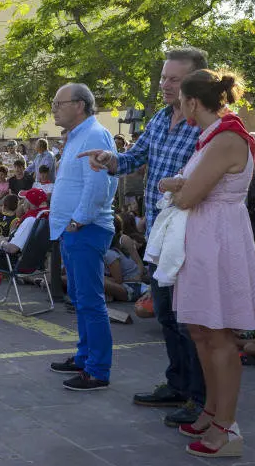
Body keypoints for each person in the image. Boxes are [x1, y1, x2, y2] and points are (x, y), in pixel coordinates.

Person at [78, 47, 208, 426]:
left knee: (188, 320)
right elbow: (133, 158)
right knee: (166, 315)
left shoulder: (207, 126)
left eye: (174, 79)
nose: (165, 84)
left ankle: (201, 398)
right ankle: (178, 385)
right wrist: (109, 160)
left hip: (190, 235)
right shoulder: (160, 118)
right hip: (159, 236)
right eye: (164, 77)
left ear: (197, 83)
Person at [158, 69, 255, 458]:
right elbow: (188, 188)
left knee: (219, 336)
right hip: (207, 240)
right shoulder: (215, 137)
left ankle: (226, 427)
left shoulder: (225, 139)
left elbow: (188, 196)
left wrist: (173, 186)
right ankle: (211, 411)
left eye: (180, 100)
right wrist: (177, 186)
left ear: (192, 102)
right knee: (201, 330)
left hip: (218, 241)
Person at [46, 83, 118, 391]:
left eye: (59, 103)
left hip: (86, 229)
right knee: (80, 299)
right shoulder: (77, 136)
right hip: (73, 230)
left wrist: (79, 220)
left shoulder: (94, 135)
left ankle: (98, 370)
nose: (54, 109)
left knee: (90, 301)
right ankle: (85, 357)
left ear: (79, 105)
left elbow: (99, 185)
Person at [103, 216, 145, 302]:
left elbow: (118, 280)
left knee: (97, 280)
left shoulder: (113, 250)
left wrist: (138, 276)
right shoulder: (107, 248)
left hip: (132, 285)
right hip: (125, 283)